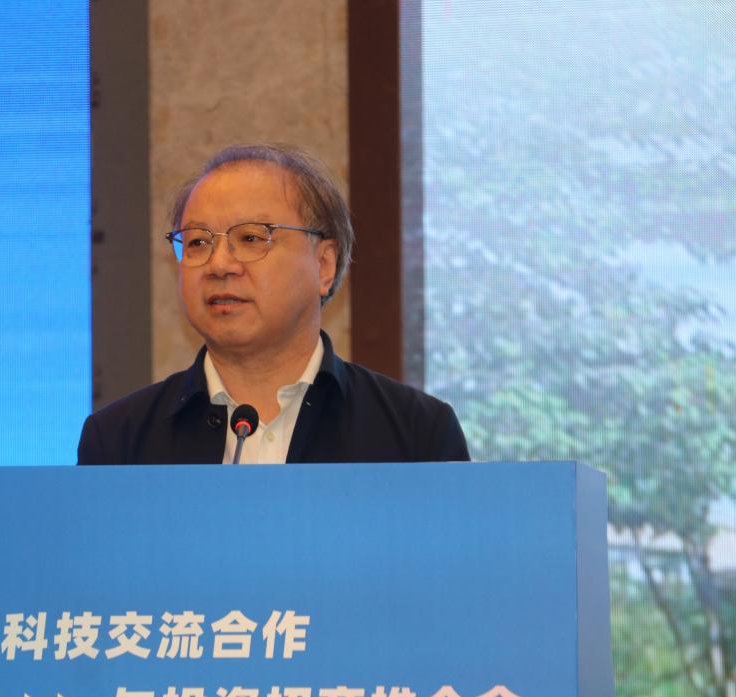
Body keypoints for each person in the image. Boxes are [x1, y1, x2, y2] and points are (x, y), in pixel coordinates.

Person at [77, 143, 469, 465]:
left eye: (251, 238)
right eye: (197, 242)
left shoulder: (416, 435)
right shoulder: (118, 442)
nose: (219, 265)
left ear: (324, 265)